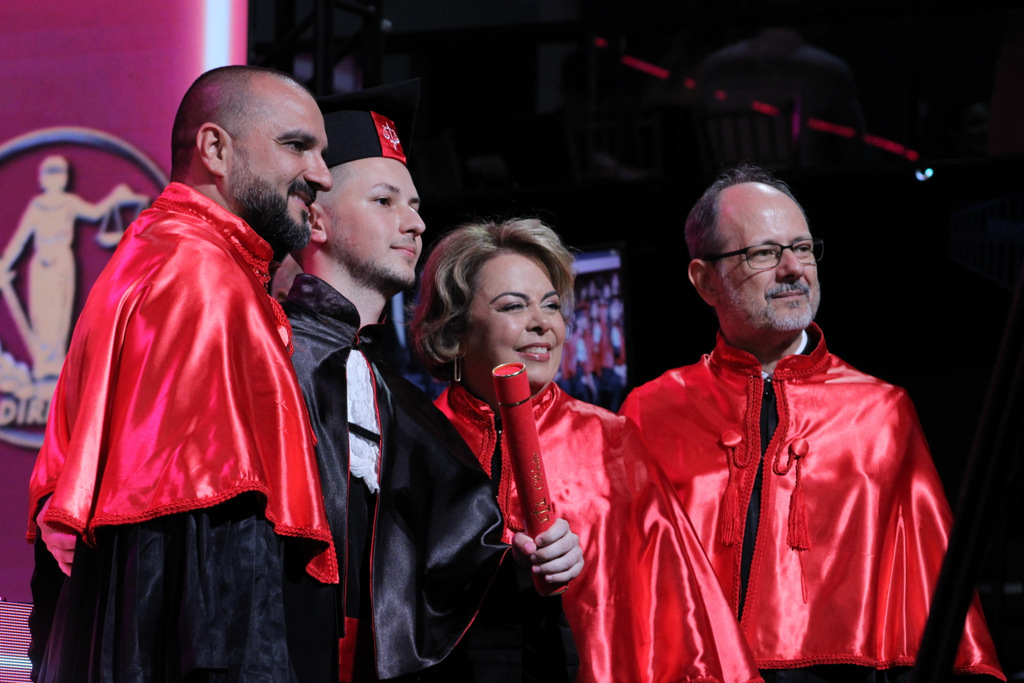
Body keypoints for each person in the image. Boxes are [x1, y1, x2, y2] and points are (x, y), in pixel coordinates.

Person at [619, 164, 1005, 681]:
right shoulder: (651, 411)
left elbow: (929, 597)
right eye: (763, 253)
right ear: (705, 280)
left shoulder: (879, 412)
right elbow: (615, 586)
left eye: (802, 248)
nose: (792, 269)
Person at [26, 65, 337, 682]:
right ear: (215, 149)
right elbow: (208, 556)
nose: (322, 175)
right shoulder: (203, 281)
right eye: (297, 145)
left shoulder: (162, 253)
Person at [282, 80, 583, 682]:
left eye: (415, 205)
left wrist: (525, 564)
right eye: (385, 201)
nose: (415, 223)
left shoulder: (399, 402)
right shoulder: (272, 359)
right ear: (315, 218)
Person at [411, 217, 761, 683]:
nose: (542, 323)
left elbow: (681, 614)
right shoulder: (418, 441)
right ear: (454, 330)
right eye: (513, 306)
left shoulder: (610, 440)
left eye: (552, 306)